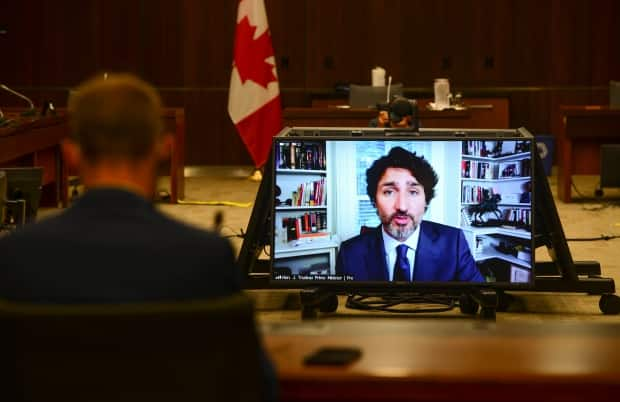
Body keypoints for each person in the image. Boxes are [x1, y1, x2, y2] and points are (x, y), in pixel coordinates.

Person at [0, 73, 277, 401]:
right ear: (164, 148)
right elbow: (254, 383)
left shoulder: (16, 255)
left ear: (70, 154)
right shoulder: (205, 255)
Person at [336, 146, 484, 282]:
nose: (402, 206)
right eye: (389, 192)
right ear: (374, 201)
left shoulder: (454, 244)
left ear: (426, 200)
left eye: (413, 192)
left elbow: (479, 299)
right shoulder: (349, 254)